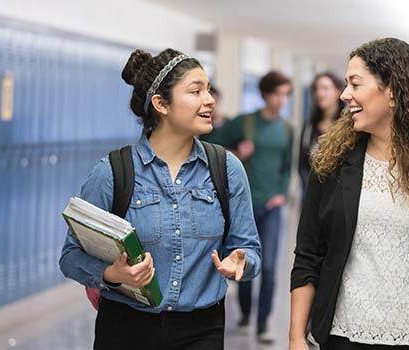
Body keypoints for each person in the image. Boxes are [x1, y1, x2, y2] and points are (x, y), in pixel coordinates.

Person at [59, 48, 262, 350]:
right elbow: (70, 257)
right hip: (125, 329)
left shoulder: (226, 169)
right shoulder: (114, 172)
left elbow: (250, 249)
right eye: (196, 91)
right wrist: (111, 274)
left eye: (208, 89)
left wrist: (241, 263)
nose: (210, 100)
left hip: (202, 330)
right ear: (161, 104)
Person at [289, 38, 409, 350]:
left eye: (355, 83)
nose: (344, 94)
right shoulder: (333, 157)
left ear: (392, 90)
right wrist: (296, 337)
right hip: (342, 336)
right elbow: (309, 254)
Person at [218, 70, 293, 343]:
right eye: (276, 93)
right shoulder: (246, 123)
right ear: (264, 94)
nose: (281, 100)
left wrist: (282, 193)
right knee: (246, 262)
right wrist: (238, 152)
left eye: (285, 94)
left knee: (271, 266)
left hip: (272, 207)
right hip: (245, 206)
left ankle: (262, 323)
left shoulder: (286, 129)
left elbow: (287, 166)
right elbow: (212, 142)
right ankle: (246, 312)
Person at [298, 72, 344, 190]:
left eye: (325, 88)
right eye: (317, 89)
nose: (320, 93)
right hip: (312, 193)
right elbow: (302, 163)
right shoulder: (309, 126)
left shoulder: (348, 127)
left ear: (338, 91)